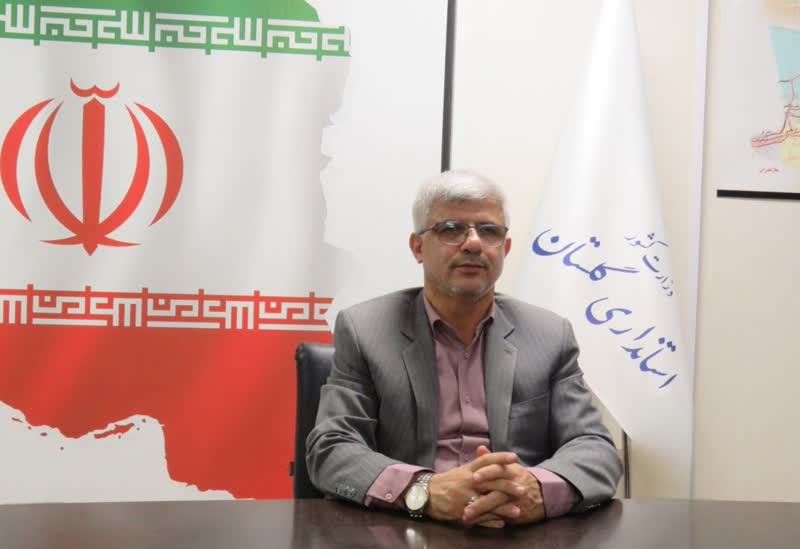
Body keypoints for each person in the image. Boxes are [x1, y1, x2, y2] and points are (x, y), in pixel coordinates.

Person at [307, 170, 622, 527]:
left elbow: (595, 448)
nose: (473, 243)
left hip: (517, 528)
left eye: (489, 231)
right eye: (451, 229)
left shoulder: (549, 335)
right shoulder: (365, 330)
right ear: (417, 247)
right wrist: (425, 490)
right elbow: (331, 449)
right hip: (407, 527)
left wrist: (535, 489)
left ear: (505, 249)